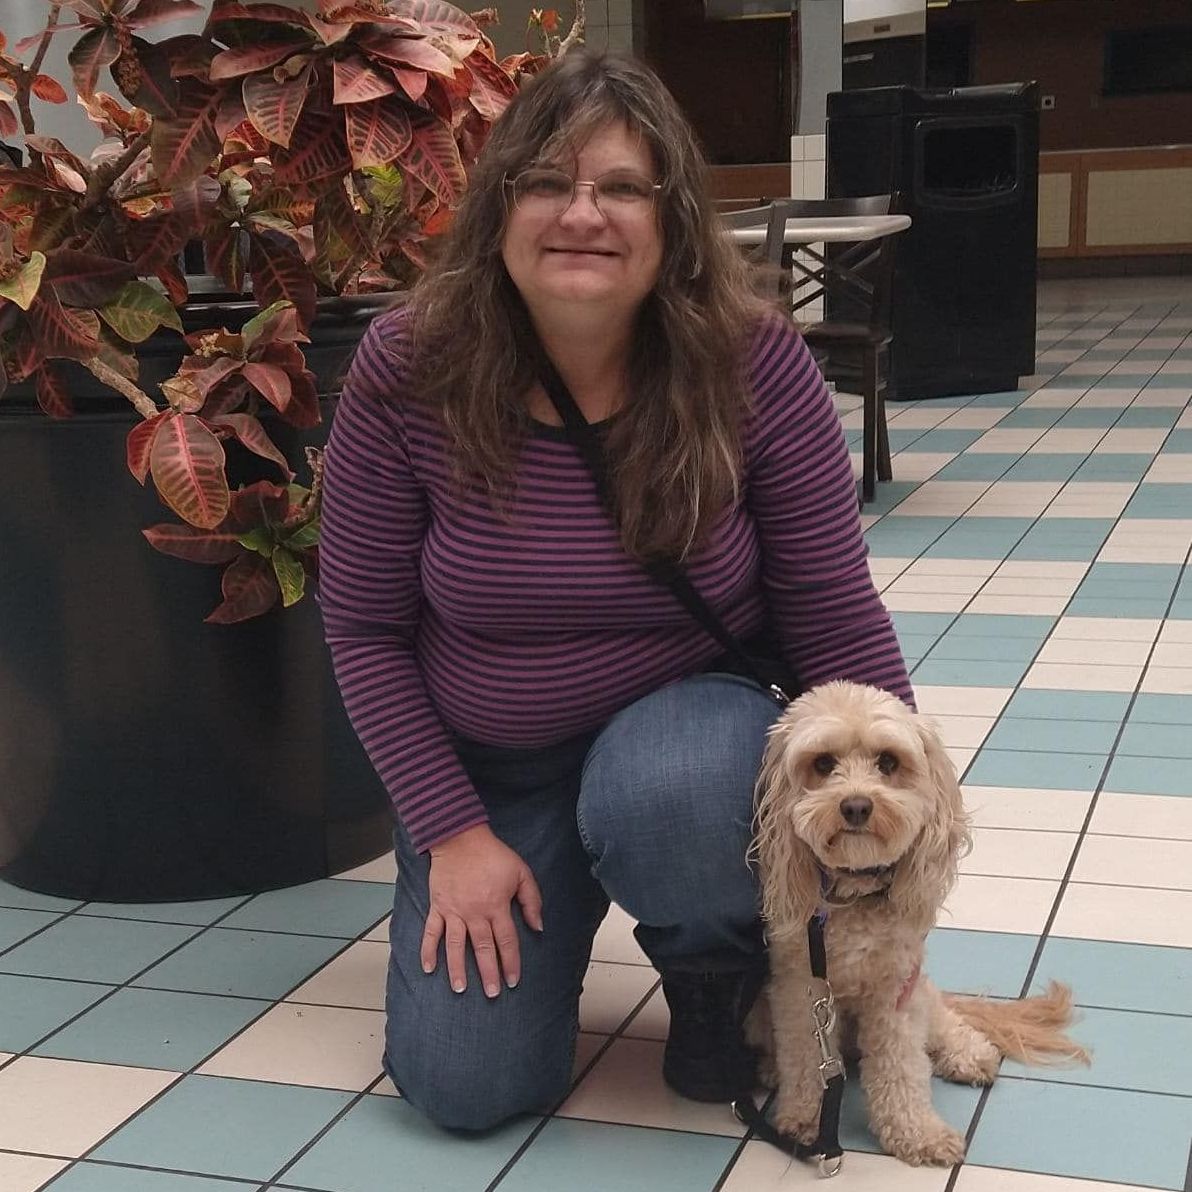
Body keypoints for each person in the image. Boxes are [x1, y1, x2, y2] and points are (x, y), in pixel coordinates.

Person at [317, 49, 913, 1133]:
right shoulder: (409, 366)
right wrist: (451, 831)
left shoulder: (751, 364)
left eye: (622, 188)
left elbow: (829, 603)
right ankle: (530, 903)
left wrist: (902, 834)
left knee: (679, 793)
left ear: (673, 219)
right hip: (489, 769)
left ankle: (709, 965)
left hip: (683, 741)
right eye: (546, 182)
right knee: (467, 1086)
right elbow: (360, 629)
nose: (580, 213)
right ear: (497, 209)